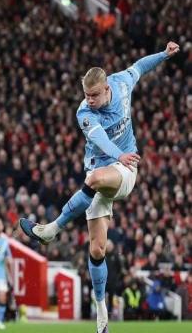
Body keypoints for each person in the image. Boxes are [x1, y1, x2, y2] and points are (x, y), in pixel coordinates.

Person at [19, 42, 180, 333]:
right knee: (96, 249)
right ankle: (101, 315)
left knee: (93, 180)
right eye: (86, 95)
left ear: (107, 88)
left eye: (94, 95)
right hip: (103, 168)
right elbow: (100, 140)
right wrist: (117, 153)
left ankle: (51, 230)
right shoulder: (84, 112)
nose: (90, 100)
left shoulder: (121, 84)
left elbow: (140, 67)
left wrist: (164, 55)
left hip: (124, 170)